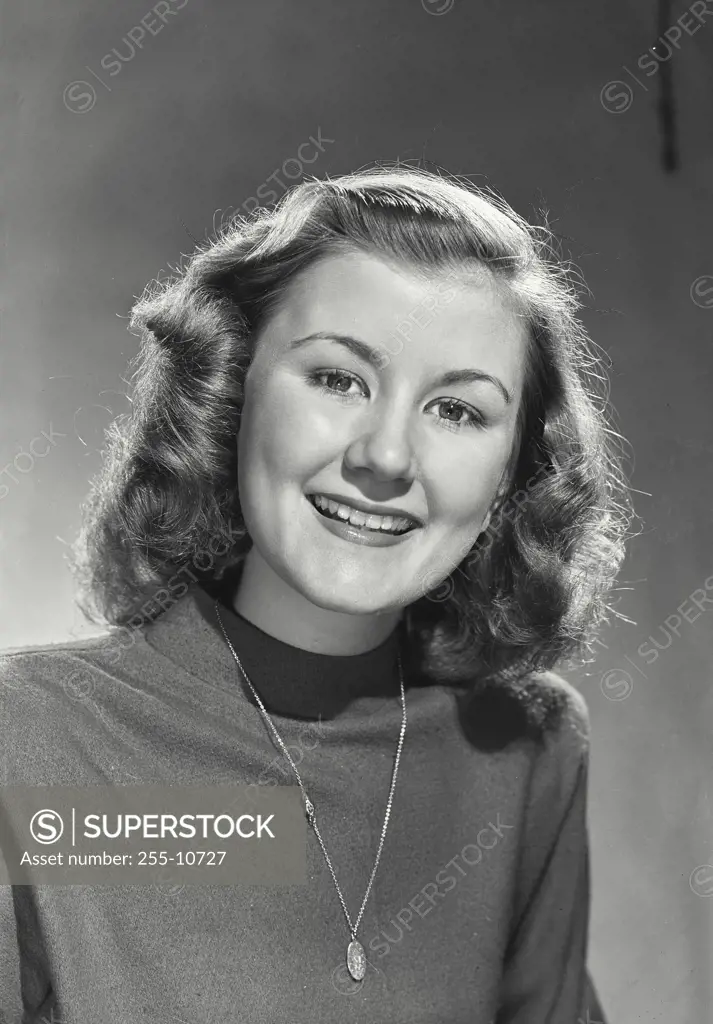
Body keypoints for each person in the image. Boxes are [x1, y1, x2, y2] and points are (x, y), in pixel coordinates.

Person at [0, 165, 631, 1023]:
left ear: (513, 472)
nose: (386, 457)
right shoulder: (28, 740)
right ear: (229, 393)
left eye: (457, 410)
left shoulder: (525, 751)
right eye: (337, 379)